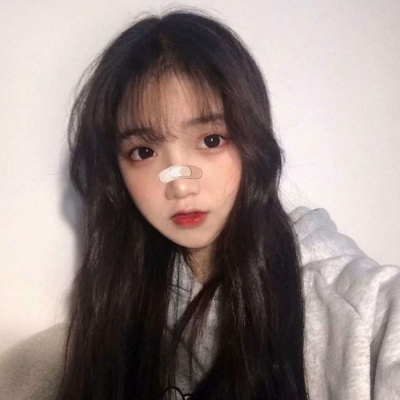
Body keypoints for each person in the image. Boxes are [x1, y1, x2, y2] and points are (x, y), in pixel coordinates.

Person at [0, 9, 399, 400]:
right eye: (143, 151)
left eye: (211, 140)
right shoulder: (122, 295)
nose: (179, 184)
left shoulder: (338, 297)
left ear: (252, 142)